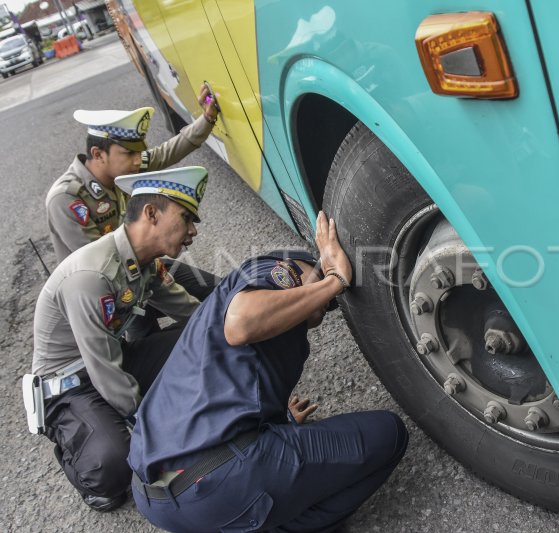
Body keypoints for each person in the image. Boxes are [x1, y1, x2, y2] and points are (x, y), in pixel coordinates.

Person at [128, 212, 409, 533]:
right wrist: (334, 280)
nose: (326, 308)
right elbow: (241, 323)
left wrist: (274, 423)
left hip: (154, 498)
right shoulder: (283, 271)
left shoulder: (217, 320)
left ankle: (241, 516)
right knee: (390, 433)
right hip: (214, 487)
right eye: (325, 300)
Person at [30, 166, 210, 512]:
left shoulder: (142, 260)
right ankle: (76, 450)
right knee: (113, 467)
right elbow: (105, 372)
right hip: (70, 386)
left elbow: (191, 311)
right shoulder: (90, 276)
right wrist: (161, 437)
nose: (193, 231)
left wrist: (238, 326)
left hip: (111, 358)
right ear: (151, 214)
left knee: (202, 335)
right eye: (186, 218)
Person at [45, 85, 219, 300]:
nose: (138, 160)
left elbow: (166, 153)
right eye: (129, 153)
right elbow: (102, 263)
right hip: (106, 286)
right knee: (149, 324)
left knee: (215, 289)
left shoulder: (125, 167)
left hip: (138, 263)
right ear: (98, 154)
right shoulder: (67, 198)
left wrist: (207, 119)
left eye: (139, 153)